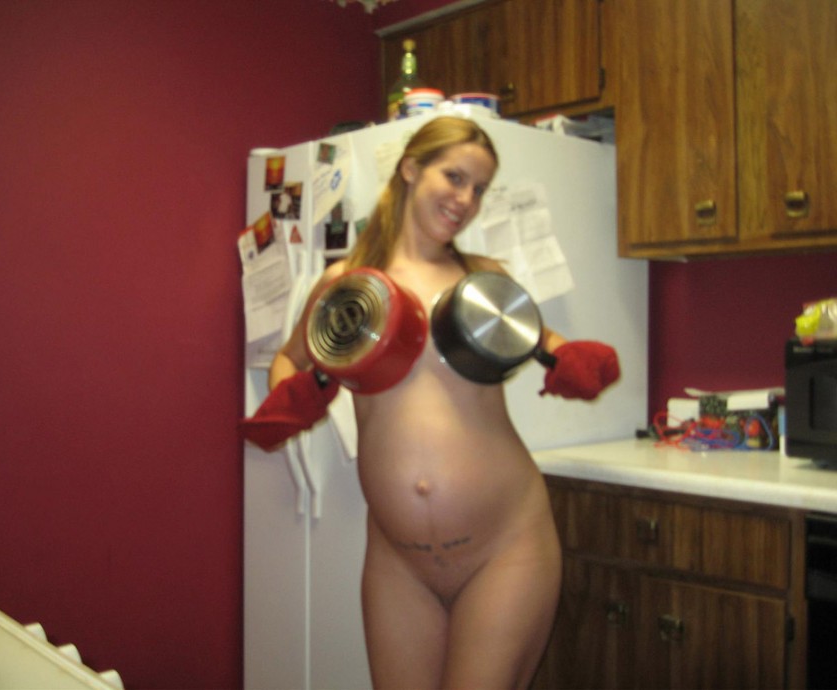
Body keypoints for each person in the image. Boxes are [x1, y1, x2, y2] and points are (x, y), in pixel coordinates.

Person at [260, 116, 618, 689]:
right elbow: (290, 357)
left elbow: (546, 344)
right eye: (454, 177)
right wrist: (292, 396)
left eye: (479, 188)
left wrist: (573, 360)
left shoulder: (484, 281)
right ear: (410, 169)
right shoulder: (348, 287)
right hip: (398, 560)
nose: (466, 200)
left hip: (505, 546)